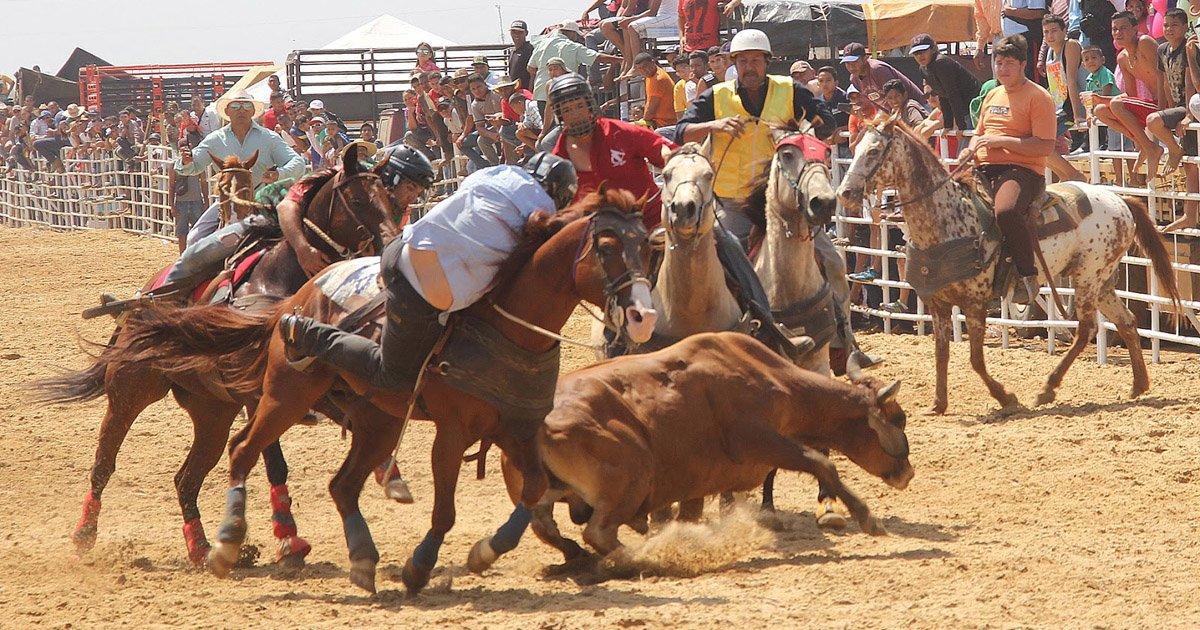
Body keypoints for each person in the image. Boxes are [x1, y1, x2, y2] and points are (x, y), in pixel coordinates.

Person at [548, 72, 809, 359]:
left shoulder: (623, 132)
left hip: (654, 221)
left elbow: (673, 156)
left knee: (727, 241)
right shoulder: (556, 155)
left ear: (590, 105)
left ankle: (768, 325)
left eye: (579, 106)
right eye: (567, 110)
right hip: (606, 236)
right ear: (559, 114)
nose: (575, 115)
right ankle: (613, 339)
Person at [276, 152, 578, 391]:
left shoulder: (494, 174)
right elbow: (286, 206)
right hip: (412, 275)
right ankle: (308, 333)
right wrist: (302, 247)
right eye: (410, 186)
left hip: (403, 251)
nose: (412, 194)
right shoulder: (544, 217)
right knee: (393, 376)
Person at [161, 89, 307, 289]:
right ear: (227, 111)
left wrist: (279, 174)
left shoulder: (269, 138)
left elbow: (297, 162)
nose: (241, 110)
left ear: (253, 111)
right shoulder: (215, 139)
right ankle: (179, 291)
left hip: (262, 200)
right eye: (236, 106)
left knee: (295, 239)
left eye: (246, 106)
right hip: (226, 201)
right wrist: (186, 160)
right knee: (194, 237)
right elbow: (194, 165)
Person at [966, 35, 1056, 304]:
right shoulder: (992, 93)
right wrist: (969, 148)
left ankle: (1026, 274)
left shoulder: (1038, 97)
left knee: (1005, 211)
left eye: (1009, 63)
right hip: (983, 166)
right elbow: (978, 132)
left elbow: (1044, 146)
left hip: (1021, 170)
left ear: (1024, 64)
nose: (1002, 68)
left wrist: (1000, 142)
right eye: (998, 62)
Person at [1092, 11, 1163, 177]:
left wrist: (1162, 110)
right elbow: (1131, 95)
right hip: (1149, 105)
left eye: (1123, 28)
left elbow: (1163, 76)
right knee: (1100, 111)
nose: (1118, 32)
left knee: (1116, 104)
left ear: (1135, 28)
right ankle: (1144, 144)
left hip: (1164, 104)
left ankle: (1150, 148)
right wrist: (1101, 99)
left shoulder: (1145, 42)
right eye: (1114, 29)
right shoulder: (1122, 58)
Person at [1146, 8, 1199, 176]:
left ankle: (1174, 150)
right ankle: (1176, 150)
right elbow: (1165, 85)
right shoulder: (1162, 49)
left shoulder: (1189, 48)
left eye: (1174, 25)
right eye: (1166, 25)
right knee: (1189, 164)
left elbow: (1189, 83)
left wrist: (1188, 115)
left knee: (1153, 121)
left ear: (1185, 27)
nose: (1169, 29)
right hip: (1177, 107)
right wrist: (1165, 110)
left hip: (1188, 107)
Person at [528, 22, 621, 109]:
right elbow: (597, 57)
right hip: (564, 94)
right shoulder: (573, 46)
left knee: (548, 124)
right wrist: (621, 59)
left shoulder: (541, 44)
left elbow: (530, 68)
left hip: (541, 94)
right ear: (572, 33)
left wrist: (546, 74)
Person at [1040, 15, 1087, 180]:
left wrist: (1078, 115)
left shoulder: (1071, 46)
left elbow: (1072, 80)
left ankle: (1074, 175)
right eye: (1046, 32)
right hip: (1060, 107)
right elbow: (1054, 87)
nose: (1050, 36)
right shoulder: (1050, 52)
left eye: (1054, 31)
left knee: (1039, 141)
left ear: (1064, 31)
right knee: (1033, 141)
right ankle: (1065, 175)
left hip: (1077, 105)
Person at [910, 33, 982, 133]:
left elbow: (953, 94)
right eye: (916, 53)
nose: (919, 56)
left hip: (975, 108)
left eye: (922, 51)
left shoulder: (941, 63)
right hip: (963, 111)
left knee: (969, 146)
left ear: (932, 49)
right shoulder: (923, 69)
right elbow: (942, 95)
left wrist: (961, 126)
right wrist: (948, 125)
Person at [841, 42, 927, 108]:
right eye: (847, 63)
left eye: (854, 62)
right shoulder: (854, 79)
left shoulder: (877, 69)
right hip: (895, 113)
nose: (851, 67)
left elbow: (897, 97)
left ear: (865, 59)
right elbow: (876, 103)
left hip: (916, 108)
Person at [633, 52, 678, 128]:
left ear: (652, 62)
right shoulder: (650, 76)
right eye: (640, 68)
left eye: (645, 66)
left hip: (666, 124)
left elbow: (651, 109)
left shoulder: (658, 79)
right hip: (658, 122)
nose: (643, 70)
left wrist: (644, 123)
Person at [507, 20, 535, 91]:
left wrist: (530, 93)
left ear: (526, 33)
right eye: (513, 32)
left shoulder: (530, 50)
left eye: (520, 32)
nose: (516, 35)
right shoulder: (512, 51)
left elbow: (533, 73)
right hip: (514, 92)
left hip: (525, 92)